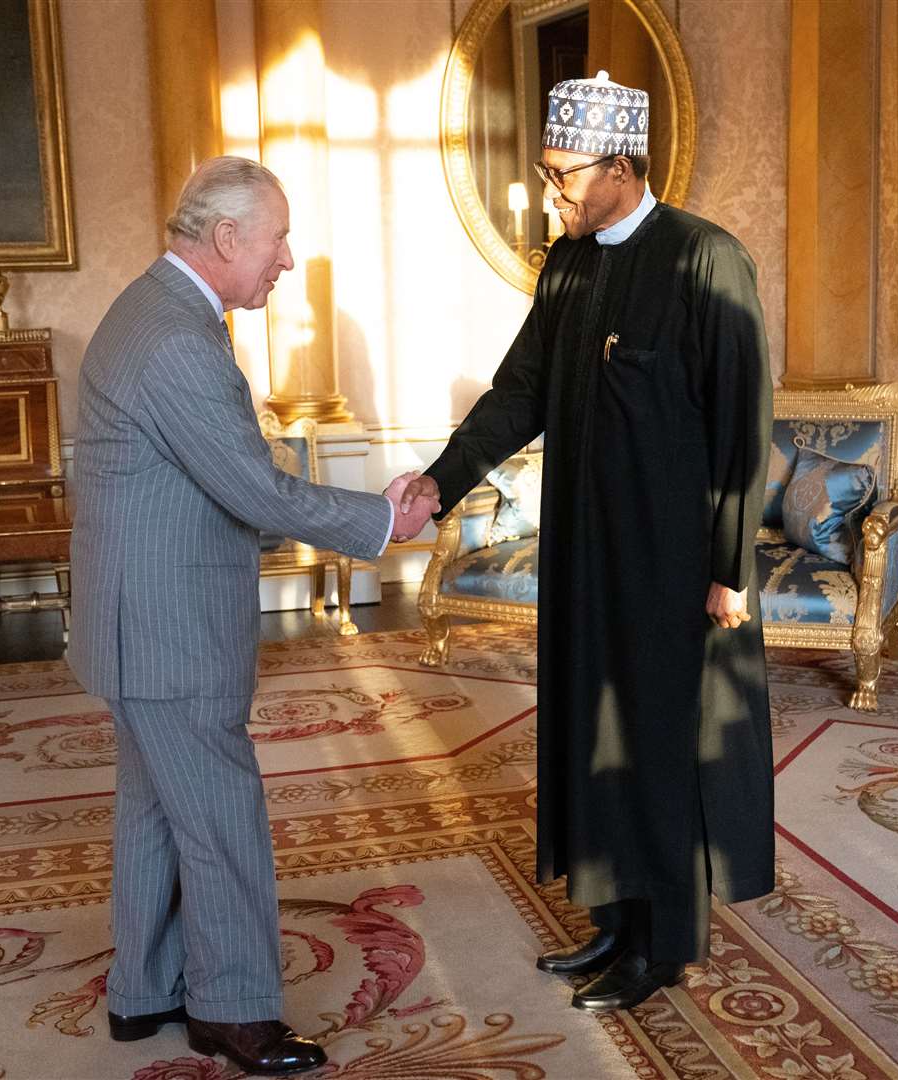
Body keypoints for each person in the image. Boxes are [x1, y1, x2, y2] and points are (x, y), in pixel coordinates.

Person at [393, 72, 774, 1012]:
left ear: (624, 166)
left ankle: (662, 946)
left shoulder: (705, 259)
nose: (550, 193)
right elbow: (519, 391)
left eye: (564, 176)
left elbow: (741, 421)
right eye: (546, 174)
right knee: (589, 730)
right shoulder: (565, 264)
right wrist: (441, 481)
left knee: (658, 745)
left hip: (673, 565)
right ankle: (611, 915)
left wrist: (730, 568)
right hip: (583, 556)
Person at [69, 156, 434, 1075]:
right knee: (220, 814)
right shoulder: (179, 340)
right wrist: (382, 519)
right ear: (228, 238)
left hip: (137, 622)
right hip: (168, 631)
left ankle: (142, 992)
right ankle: (234, 1014)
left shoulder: (153, 309)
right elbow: (252, 489)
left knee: (156, 809)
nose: (285, 258)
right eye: (276, 240)